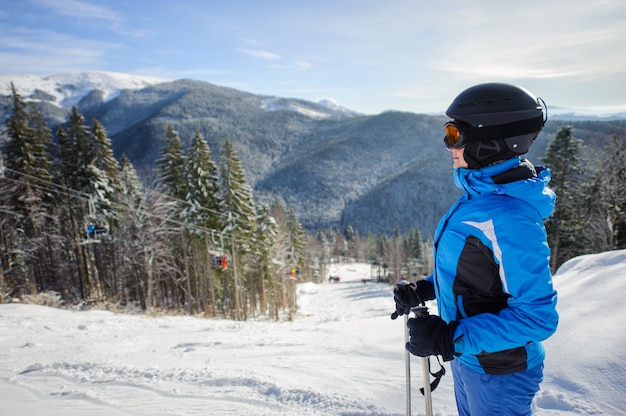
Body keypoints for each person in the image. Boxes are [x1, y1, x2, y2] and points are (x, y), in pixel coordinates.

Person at [392, 83, 558, 416]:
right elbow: (475, 274)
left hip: (500, 371)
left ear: (490, 143)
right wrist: (426, 288)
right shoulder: (483, 198)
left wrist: (448, 339)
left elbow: (537, 318)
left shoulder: (509, 217)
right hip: (473, 359)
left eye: (455, 135)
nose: (449, 145)